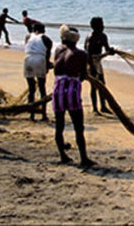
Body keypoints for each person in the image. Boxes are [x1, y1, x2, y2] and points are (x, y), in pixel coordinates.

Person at [52, 25, 94, 167]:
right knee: (78, 126)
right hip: (72, 89)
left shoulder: (58, 50)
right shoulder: (82, 54)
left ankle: (63, 156)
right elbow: (82, 75)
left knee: (59, 125)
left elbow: (55, 69)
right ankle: (83, 158)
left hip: (57, 89)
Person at [84, 17, 115, 115]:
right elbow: (88, 53)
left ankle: (103, 106)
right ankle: (95, 108)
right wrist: (91, 66)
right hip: (91, 61)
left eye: (102, 24)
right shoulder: (91, 37)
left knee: (102, 84)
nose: (103, 26)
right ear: (94, 27)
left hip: (98, 61)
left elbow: (107, 48)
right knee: (94, 86)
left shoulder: (103, 36)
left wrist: (111, 51)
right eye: (100, 25)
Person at [24, 23, 52, 121]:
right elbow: (47, 55)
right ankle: (43, 114)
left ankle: (31, 114)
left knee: (31, 89)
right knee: (41, 88)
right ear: (43, 30)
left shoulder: (28, 37)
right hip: (40, 60)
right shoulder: (46, 39)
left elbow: (28, 47)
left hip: (28, 60)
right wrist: (47, 65)